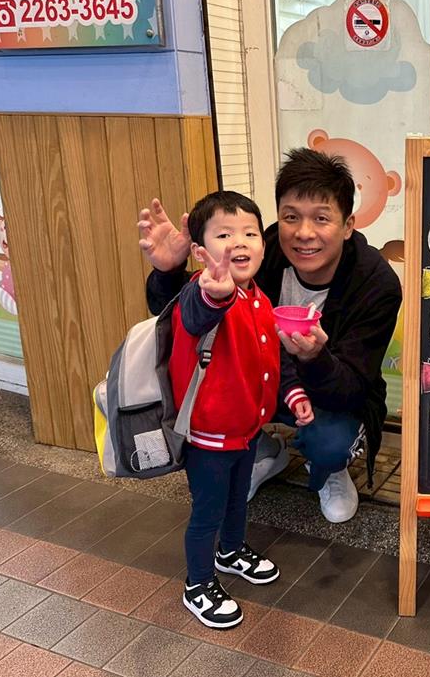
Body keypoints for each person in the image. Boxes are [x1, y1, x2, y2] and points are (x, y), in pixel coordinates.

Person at [138, 149, 402, 524]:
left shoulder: (375, 283)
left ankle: (330, 469)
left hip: (332, 392)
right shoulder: (264, 251)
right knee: (210, 389)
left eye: (321, 218)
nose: (304, 233)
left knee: (329, 443)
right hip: (260, 378)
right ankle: (262, 450)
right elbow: (190, 315)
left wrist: (315, 357)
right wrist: (169, 272)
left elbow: (353, 388)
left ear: (347, 226)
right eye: (291, 217)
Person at [173, 191, 312, 629]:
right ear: (200, 251)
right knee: (207, 512)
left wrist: (293, 395)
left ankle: (230, 552)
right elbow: (196, 317)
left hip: (247, 429)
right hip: (210, 435)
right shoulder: (202, 293)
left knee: (237, 500)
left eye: (250, 233)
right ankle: (197, 584)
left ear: (263, 246)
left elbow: (274, 358)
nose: (239, 242)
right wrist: (215, 295)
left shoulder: (259, 299)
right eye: (224, 235)